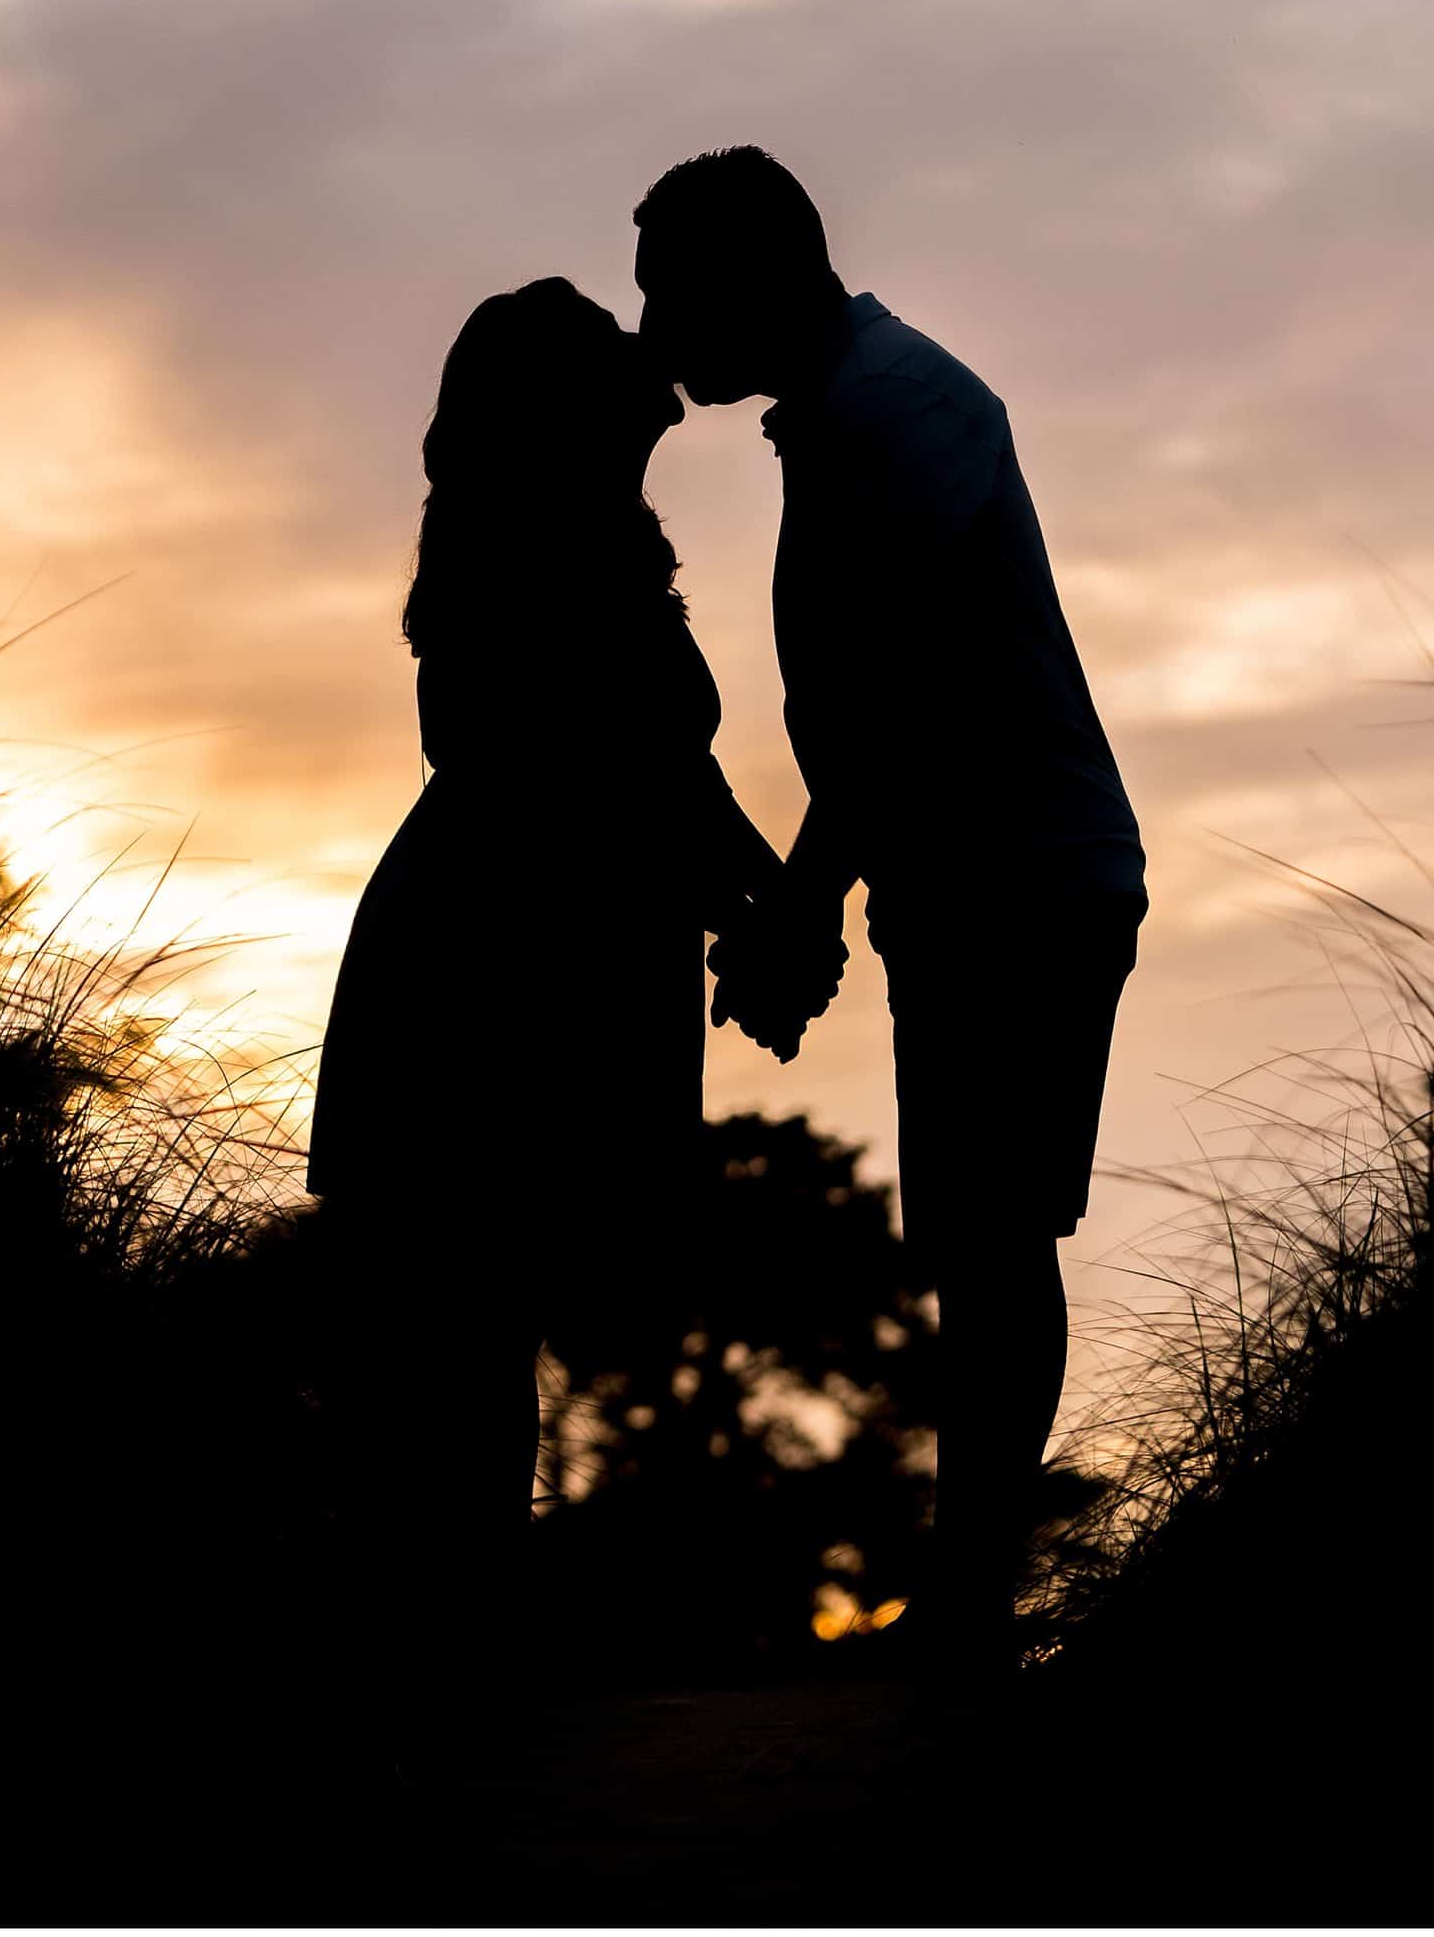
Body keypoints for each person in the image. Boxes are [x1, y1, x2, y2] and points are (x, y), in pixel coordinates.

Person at [634, 148, 1147, 1674]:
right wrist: (808, 902)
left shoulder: (897, 411)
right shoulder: (856, 409)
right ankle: (966, 1601)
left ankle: (970, 1609)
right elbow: (876, 721)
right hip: (970, 881)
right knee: (981, 1242)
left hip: (1023, 878)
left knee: (996, 1240)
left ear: (758, 273)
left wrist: (797, 909)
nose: (656, 321)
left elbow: (897, 701)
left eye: (675, 286)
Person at [303, 276, 786, 1649]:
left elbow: (665, 770)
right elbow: (610, 771)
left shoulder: (590, 545)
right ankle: (433, 1672)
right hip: (486, 975)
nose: (650, 359)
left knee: (475, 1334)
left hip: (520, 957)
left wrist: (771, 897)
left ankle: (447, 1662)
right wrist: (763, 905)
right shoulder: (537, 558)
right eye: (610, 348)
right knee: (454, 1341)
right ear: (563, 409)